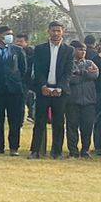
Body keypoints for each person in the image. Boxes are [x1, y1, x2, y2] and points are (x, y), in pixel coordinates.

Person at [29, 22, 70, 159]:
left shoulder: (68, 50)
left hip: (60, 91)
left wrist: (60, 87)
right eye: (53, 30)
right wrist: (43, 86)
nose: (56, 33)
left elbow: (68, 72)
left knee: (58, 123)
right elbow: (38, 70)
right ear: (48, 31)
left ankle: (57, 152)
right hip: (44, 91)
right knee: (39, 121)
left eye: (58, 30)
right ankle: (36, 151)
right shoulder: (40, 49)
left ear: (63, 31)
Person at [0, 26, 28, 155]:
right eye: (7, 34)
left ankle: (14, 147)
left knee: (14, 119)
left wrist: (17, 82)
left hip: (14, 90)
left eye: (11, 34)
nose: (10, 36)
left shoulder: (17, 50)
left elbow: (23, 69)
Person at [66, 43, 101, 158]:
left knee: (87, 127)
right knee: (72, 127)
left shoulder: (90, 63)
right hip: (72, 101)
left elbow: (95, 75)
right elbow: (70, 79)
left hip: (89, 101)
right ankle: (73, 151)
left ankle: (85, 150)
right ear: (73, 50)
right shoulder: (68, 64)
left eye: (84, 50)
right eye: (80, 49)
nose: (83, 52)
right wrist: (86, 74)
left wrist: (80, 73)